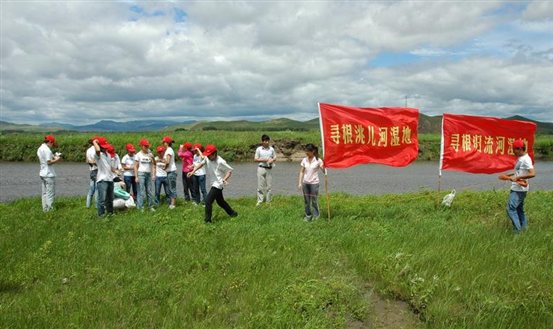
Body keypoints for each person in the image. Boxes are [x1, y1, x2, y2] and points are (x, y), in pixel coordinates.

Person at [188, 144, 238, 223]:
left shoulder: (221, 161)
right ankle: (233, 213)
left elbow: (229, 171)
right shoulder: (207, 158)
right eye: (207, 155)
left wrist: (224, 179)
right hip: (213, 182)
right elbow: (201, 164)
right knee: (220, 202)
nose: (207, 157)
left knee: (208, 201)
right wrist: (193, 171)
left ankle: (208, 221)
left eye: (209, 155)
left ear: (214, 154)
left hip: (218, 184)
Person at [498, 139, 536, 233]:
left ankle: (517, 232)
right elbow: (518, 171)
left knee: (510, 209)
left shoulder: (526, 159)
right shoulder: (521, 158)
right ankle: (524, 229)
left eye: (514, 149)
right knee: (519, 209)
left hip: (519, 189)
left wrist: (517, 177)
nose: (513, 152)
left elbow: (532, 173)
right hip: (518, 188)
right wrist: (508, 175)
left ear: (519, 149)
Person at [298, 143, 324, 221]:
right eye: (306, 151)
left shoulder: (318, 160)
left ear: (313, 151)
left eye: (308, 151)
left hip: (314, 183)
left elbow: (324, 171)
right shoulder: (304, 160)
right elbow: (301, 171)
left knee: (314, 200)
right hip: (305, 183)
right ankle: (308, 215)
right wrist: (300, 182)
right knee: (306, 201)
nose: (306, 153)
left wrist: (324, 166)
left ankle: (316, 215)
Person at [37, 135, 61, 212]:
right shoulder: (47, 150)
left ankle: (45, 210)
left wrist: (53, 156)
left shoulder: (40, 148)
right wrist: (57, 159)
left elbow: (45, 159)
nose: (52, 145)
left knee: (44, 193)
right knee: (50, 193)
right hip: (49, 174)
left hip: (42, 173)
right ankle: (50, 211)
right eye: (52, 143)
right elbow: (49, 162)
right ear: (50, 142)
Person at [93, 139, 116, 217]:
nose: (105, 148)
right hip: (102, 180)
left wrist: (116, 172)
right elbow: (98, 150)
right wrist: (94, 142)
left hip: (110, 179)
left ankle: (110, 213)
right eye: (103, 147)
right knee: (102, 199)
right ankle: (101, 215)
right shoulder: (98, 155)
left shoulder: (108, 155)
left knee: (110, 199)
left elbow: (110, 166)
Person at [134, 138, 156, 211]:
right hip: (141, 174)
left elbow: (153, 165)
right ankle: (141, 207)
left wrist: (153, 174)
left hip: (148, 174)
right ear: (141, 146)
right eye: (145, 146)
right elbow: (135, 166)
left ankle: (151, 206)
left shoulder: (150, 154)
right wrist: (136, 176)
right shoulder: (138, 155)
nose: (147, 147)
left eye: (147, 146)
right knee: (141, 191)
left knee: (149, 191)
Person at [254, 134, 276, 206]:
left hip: (269, 169)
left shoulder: (271, 149)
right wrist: (266, 159)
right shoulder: (259, 149)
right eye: (265, 141)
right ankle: (259, 201)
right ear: (262, 141)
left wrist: (272, 160)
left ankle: (268, 202)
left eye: (268, 141)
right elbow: (255, 159)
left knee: (269, 186)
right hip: (261, 168)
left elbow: (275, 158)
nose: (267, 142)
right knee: (260, 186)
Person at [162, 136, 177, 209]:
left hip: (171, 171)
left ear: (166, 143)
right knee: (171, 187)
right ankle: (172, 203)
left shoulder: (168, 150)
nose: (163, 144)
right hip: (171, 172)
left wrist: (165, 168)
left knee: (172, 188)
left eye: (164, 142)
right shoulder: (169, 150)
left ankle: (173, 204)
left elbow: (168, 161)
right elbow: (167, 161)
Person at [85, 137, 98, 208]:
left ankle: (88, 205)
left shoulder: (88, 150)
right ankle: (96, 206)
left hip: (91, 170)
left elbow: (87, 161)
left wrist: (91, 162)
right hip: (97, 170)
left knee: (91, 189)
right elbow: (96, 162)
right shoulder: (96, 150)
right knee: (97, 189)